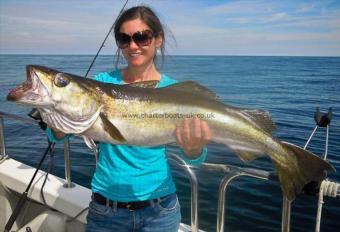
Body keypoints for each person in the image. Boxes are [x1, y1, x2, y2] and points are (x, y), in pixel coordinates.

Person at [47, 5, 211, 232]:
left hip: (160, 211)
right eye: (124, 39)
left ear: (158, 39)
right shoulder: (101, 83)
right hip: (106, 210)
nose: (133, 46)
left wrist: (193, 149)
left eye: (142, 37)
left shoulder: (176, 92)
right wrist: (55, 116)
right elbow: (58, 136)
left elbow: (196, 158)